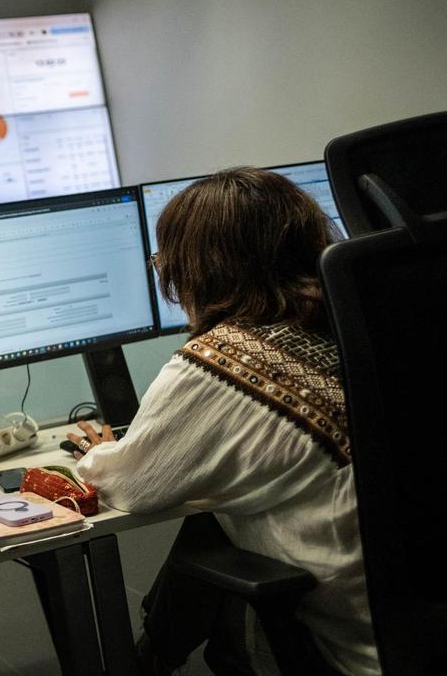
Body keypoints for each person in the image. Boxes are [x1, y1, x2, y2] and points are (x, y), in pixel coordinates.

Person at [67, 167, 379, 675]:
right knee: (210, 519)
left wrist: (99, 453)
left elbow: (133, 485)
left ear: (198, 269)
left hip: (366, 643)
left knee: (207, 531)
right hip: (433, 618)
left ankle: (148, 662)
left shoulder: (224, 359)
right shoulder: (367, 322)